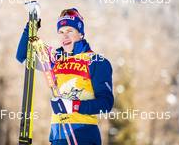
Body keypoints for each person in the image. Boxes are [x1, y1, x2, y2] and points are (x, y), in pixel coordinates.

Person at [16, 8, 114, 145]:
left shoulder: (96, 61)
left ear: (80, 33)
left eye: (70, 31)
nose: (64, 36)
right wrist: (31, 26)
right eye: (61, 32)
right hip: (57, 136)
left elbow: (106, 104)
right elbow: (22, 57)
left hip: (83, 136)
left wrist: (74, 106)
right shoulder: (54, 59)